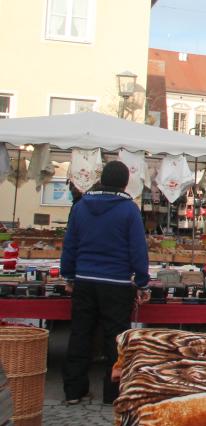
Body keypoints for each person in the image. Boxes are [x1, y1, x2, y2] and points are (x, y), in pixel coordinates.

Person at [62, 161, 150, 405]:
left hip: (85, 280)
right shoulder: (128, 210)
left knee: (80, 334)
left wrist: (69, 275)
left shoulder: (81, 206)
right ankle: (112, 394)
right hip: (116, 282)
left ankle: (74, 392)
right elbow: (137, 249)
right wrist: (142, 283)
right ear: (124, 183)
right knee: (115, 339)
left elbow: (70, 244)